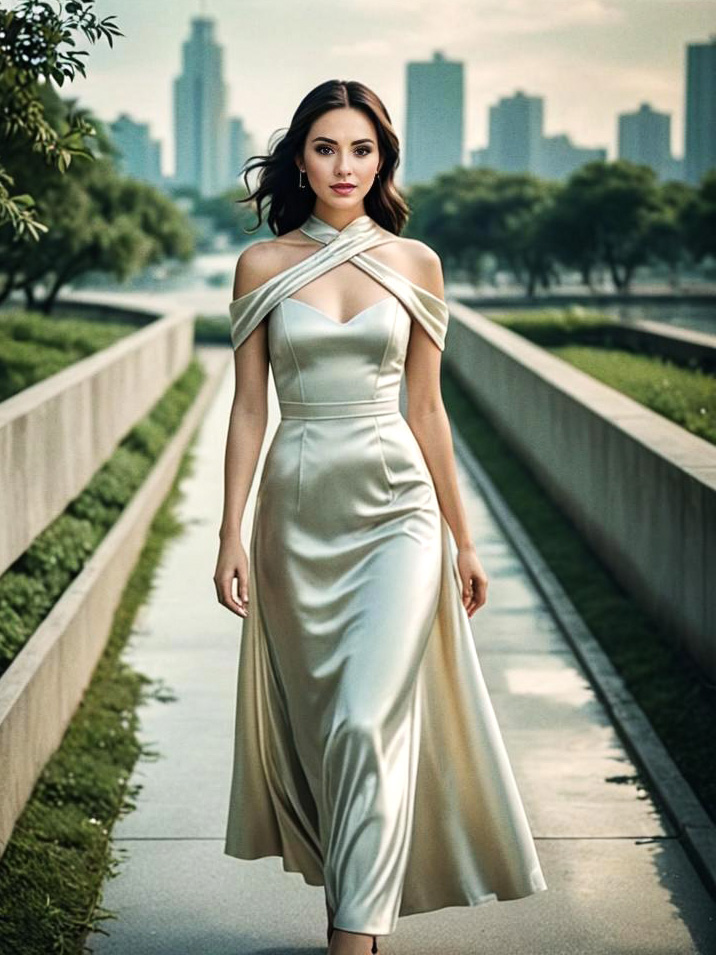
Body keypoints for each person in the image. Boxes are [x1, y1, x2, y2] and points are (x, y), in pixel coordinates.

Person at [214, 79, 547, 955]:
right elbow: (250, 409)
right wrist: (228, 534)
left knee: (368, 718)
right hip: (298, 506)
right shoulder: (261, 265)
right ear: (299, 158)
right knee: (333, 728)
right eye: (326, 148)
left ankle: (354, 936)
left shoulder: (416, 263)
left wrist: (464, 538)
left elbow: (429, 411)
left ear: (383, 159)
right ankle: (353, 900)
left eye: (362, 149)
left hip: (398, 507)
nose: (344, 166)